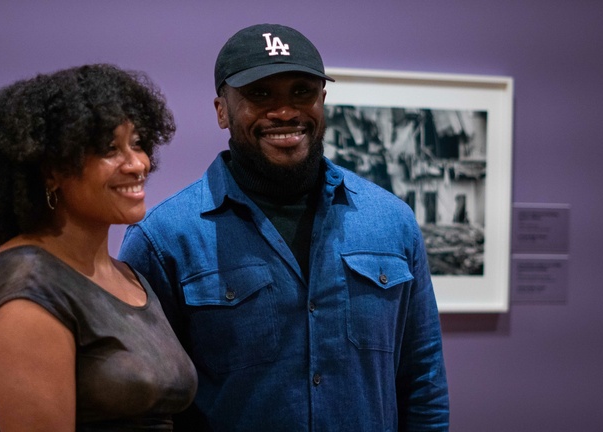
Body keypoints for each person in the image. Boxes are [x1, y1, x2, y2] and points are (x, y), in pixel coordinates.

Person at [119, 24, 449, 431]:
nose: (285, 111)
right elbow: (145, 405)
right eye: (259, 94)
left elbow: (423, 379)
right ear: (222, 110)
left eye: (301, 92)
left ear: (322, 101)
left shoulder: (391, 222)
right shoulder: (164, 238)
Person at [0, 64, 197, 431]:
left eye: (138, 143)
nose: (137, 164)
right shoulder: (26, 283)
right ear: (51, 171)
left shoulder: (131, 277)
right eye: (110, 149)